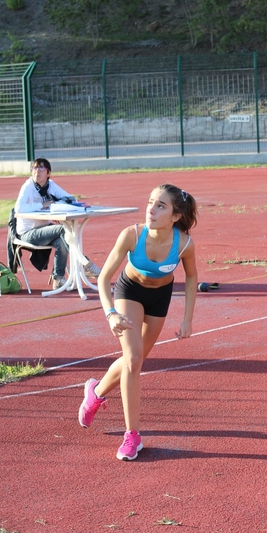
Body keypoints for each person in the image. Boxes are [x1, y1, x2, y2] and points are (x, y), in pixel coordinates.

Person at [78, 182, 198, 461]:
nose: (151, 210)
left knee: (136, 358)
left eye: (160, 206)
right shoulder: (132, 235)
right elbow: (104, 277)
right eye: (150, 202)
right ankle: (132, 435)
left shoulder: (184, 244)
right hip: (128, 292)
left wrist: (188, 319)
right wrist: (110, 314)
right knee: (133, 359)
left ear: (175, 216)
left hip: (159, 299)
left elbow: (191, 277)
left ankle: (95, 392)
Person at [14, 157, 101, 289]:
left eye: (41, 168)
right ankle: (84, 264)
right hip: (27, 233)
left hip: (45, 230)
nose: (37, 171)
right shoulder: (28, 186)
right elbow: (18, 208)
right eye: (34, 168)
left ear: (48, 173)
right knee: (62, 230)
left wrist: (57, 204)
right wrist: (42, 204)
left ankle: (58, 279)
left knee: (62, 240)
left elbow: (71, 199)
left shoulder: (51, 185)